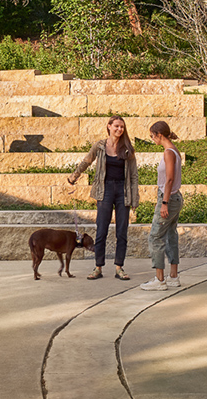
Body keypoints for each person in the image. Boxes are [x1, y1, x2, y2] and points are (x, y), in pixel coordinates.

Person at [67, 116, 139, 280]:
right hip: (104, 190)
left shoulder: (128, 148)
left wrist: (135, 198)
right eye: (116, 126)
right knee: (101, 230)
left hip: (123, 191)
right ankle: (98, 267)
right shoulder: (100, 146)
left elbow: (134, 175)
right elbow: (87, 161)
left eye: (122, 127)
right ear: (109, 127)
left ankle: (119, 268)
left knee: (122, 231)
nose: (119, 129)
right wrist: (74, 176)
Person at [141, 121, 183, 291]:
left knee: (155, 237)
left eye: (152, 136)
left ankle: (159, 280)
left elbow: (170, 179)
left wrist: (164, 202)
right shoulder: (174, 149)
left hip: (169, 199)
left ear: (159, 134)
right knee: (170, 236)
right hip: (174, 198)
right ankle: (173, 277)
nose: (152, 139)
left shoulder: (168, 152)